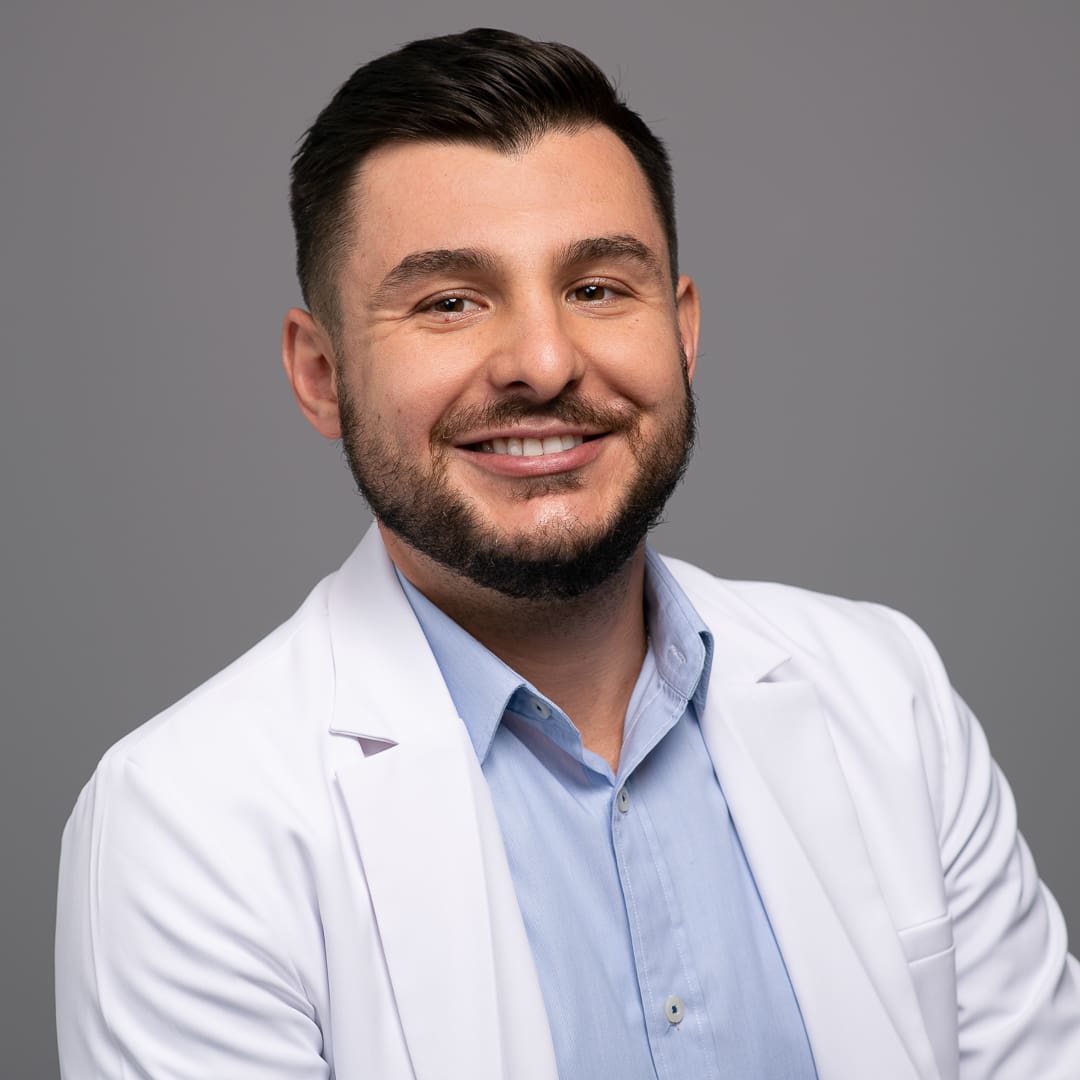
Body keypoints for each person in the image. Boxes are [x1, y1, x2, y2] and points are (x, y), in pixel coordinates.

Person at [55, 28, 1079, 1080]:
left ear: (681, 334)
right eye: (450, 301)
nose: (543, 364)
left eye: (597, 287)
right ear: (321, 375)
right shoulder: (182, 826)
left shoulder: (885, 694)